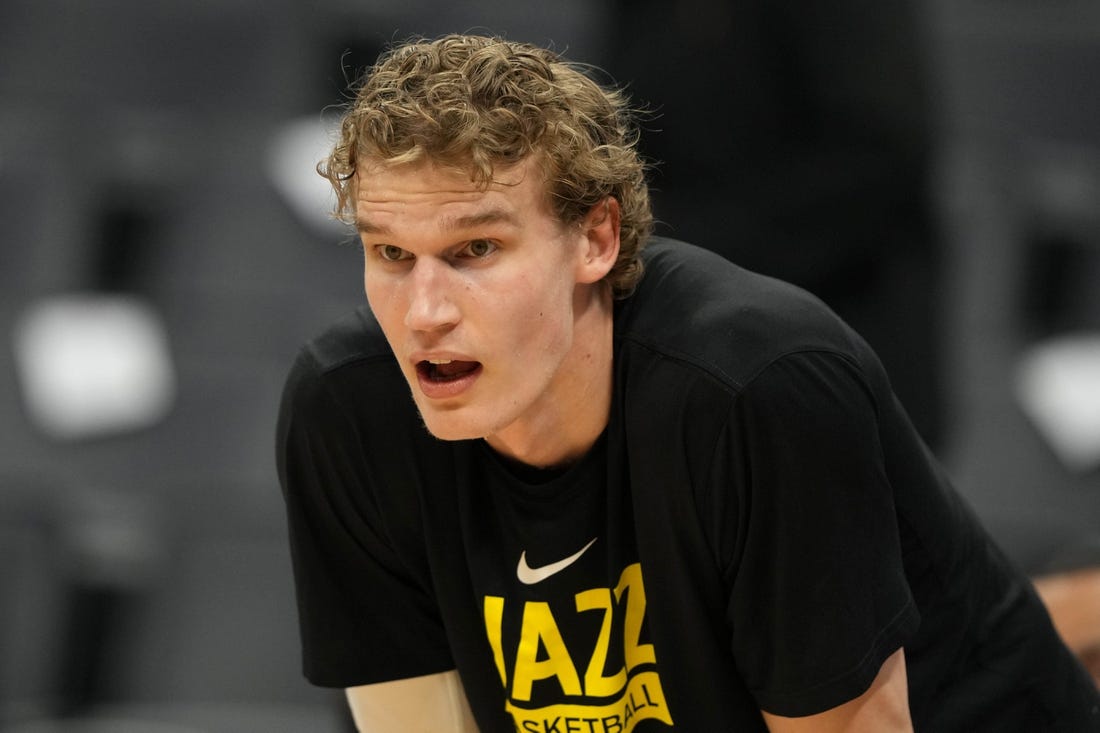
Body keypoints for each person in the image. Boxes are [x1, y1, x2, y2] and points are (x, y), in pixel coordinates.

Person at [276, 34, 1100, 732]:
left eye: (475, 251)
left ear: (595, 238)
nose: (423, 312)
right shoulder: (348, 412)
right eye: (390, 253)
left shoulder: (758, 385)